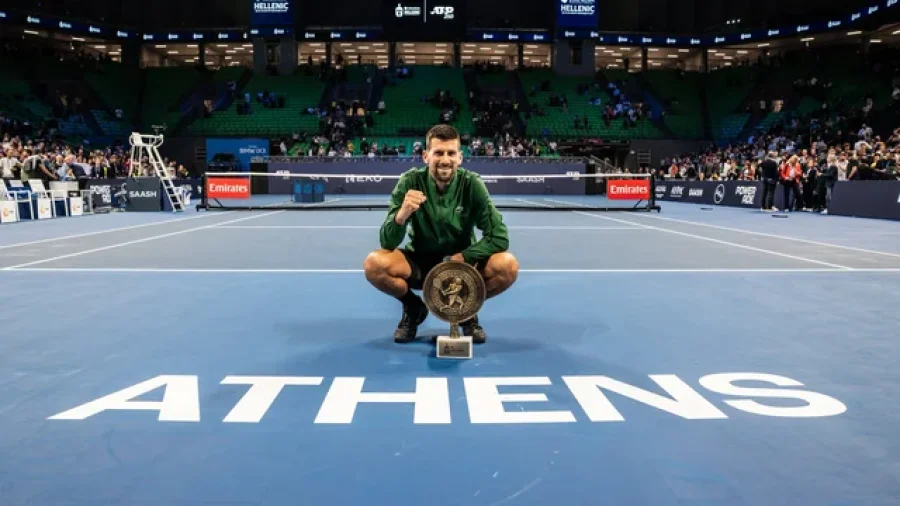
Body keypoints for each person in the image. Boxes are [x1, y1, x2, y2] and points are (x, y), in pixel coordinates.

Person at [363, 124, 519, 344]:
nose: (445, 159)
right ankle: (413, 307)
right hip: (421, 262)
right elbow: (387, 241)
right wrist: (402, 214)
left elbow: (500, 237)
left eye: (451, 153)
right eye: (438, 153)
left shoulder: (472, 184)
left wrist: (464, 257)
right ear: (426, 156)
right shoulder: (409, 181)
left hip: (462, 264)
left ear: (460, 157)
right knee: (375, 264)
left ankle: (467, 312)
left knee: (507, 266)